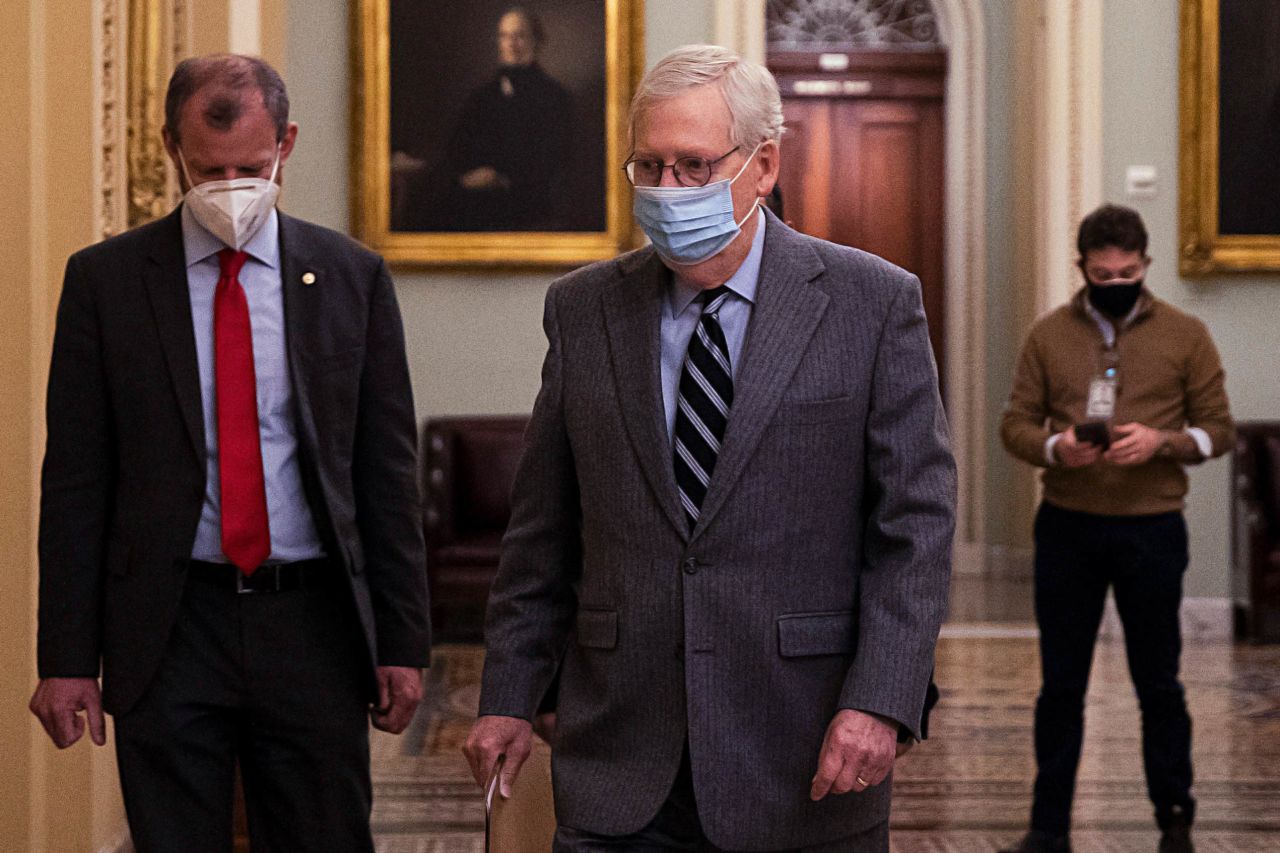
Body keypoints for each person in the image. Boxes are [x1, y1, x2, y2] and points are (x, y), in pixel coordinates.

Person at [464, 44, 956, 851]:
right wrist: (509, 695)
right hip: (617, 756)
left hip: (806, 752)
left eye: (694, 166)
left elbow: (917, 528)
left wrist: (881, 699)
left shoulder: (873, 303)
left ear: (762, 167)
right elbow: (540, 532)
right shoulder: (583, 311)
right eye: (648, 167)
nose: (667, 191)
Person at [29, 54, 431, 852]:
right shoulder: (105, 284)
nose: (230, 187)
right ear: (173, 148)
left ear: (286, 143)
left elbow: (385, 473)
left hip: (311, 620)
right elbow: (76, 481)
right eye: (208, 169)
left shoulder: (352, 277)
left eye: (250, 166)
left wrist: (402, 643)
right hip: (168, 626)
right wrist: (66, 657)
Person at [999, 204, 1234, 853]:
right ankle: (1048, 828)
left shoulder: (1186, 334)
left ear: (1146, 265)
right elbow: (1014, 424)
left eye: (1128, 271)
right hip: (1068, 528)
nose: (1117, 280)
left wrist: (1163, 439)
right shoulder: (1048, 334)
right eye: (1103, 273)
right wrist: (1056, 447)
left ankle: (1175, 818)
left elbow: (1220, 429)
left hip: (1153, 528)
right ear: (1083, 269)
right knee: (1061, 684)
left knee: (1159, 680)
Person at [398, 6, 573, 232]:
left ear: (536, 41)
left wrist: (502, 179)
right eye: (505, 36)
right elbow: (456, 148)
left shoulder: (555, 97)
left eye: (519, 36)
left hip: (526, 203)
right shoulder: (482, 96)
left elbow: (555, 160)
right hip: (474, 199)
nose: (511, 44)